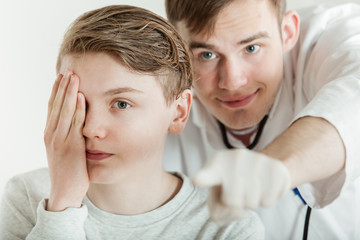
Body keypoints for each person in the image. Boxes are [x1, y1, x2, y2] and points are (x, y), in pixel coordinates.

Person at [0, 5, 265, 240]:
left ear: (179, 112)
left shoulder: (227, 226)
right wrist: (62, 204)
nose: (91, 128)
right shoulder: (26, 197)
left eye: (121, 104)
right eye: (79, 103)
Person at [163, 0, 360, 239]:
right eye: (207, 55)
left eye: (251, 48)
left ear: (287, 32)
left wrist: (274, 167)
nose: (233, 81)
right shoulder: (158, 90)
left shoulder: (333, 35)